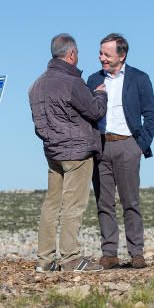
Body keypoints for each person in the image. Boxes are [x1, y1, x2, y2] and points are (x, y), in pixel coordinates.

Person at [29, 34, 107, 272]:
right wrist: (101, 94)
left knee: (51, 204)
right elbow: (95, 111)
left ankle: (44, 260)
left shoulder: (36, 85)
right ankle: (71, 258)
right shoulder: (71, 82)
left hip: (53, 152)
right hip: (77, 152)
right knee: (74, 205)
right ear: (71, 54)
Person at [87, 33, 154, 269]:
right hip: (101, 146)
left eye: (107, 54)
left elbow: (151, 114)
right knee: (104, 203)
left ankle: (136, 252)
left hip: (128, 145)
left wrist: (140, 146)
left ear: (122, 54)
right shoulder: (92, 80)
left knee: (130, 201)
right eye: (100, 53)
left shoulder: (139, 78)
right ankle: (109, 253)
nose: (102, 58)